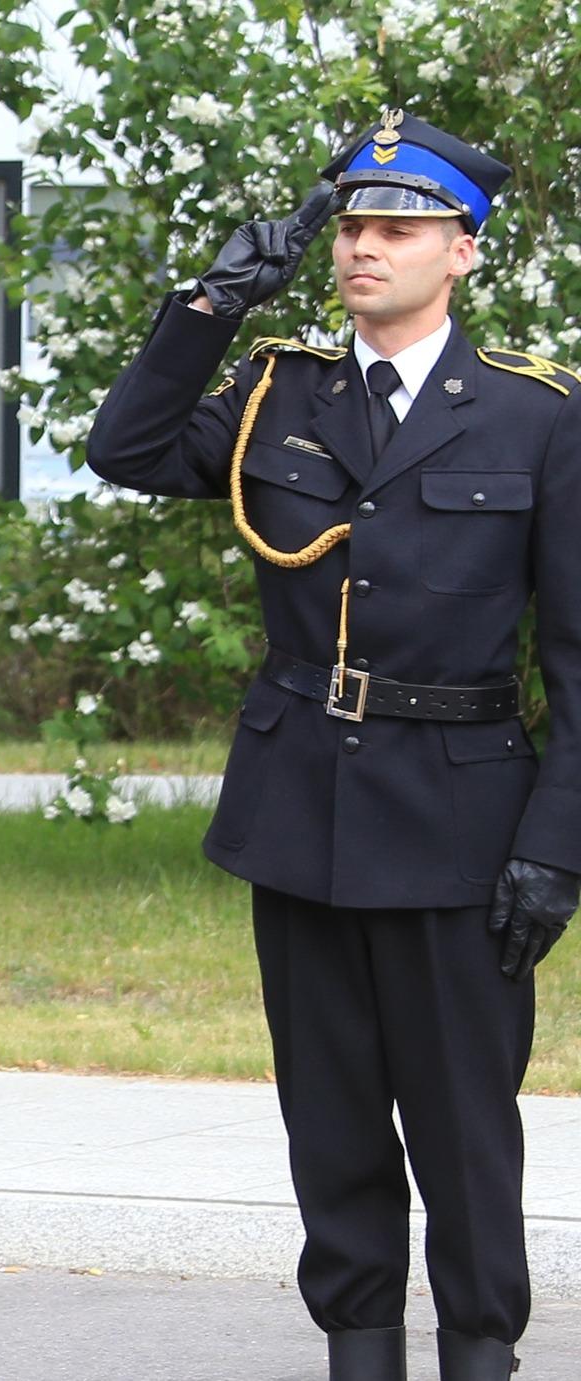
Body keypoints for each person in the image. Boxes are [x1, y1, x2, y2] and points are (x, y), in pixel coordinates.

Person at [83, 114, 571, 1381]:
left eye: (396, 227)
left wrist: (555, 849)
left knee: (463, 1132)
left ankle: (478, 1353)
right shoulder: (276, 389)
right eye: (351, 224)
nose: (363, 246)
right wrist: (210, 304)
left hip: (461, 822)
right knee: (330, 1125)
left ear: (460, 251)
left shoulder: (533, 415)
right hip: (300, 807)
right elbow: (124, 448)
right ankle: (357, 1355)